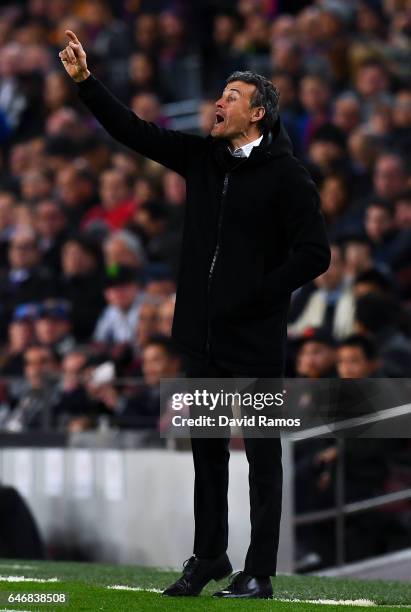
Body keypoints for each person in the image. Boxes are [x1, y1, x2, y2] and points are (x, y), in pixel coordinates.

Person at [59, 30, 330, 599]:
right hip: (201, 339)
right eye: (220, 93)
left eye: (231, 95)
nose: (219, 101)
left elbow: (315, 253)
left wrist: (261, 294)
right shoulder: (202, 159)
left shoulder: (288, 176)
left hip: (254, 341)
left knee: (261, 458)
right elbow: (133, 130)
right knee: (206, 457)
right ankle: (209, 556)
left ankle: (258, 571)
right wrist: (86, 83)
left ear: (257, 114)